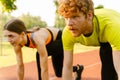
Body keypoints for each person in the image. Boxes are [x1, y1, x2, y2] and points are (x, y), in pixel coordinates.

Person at [58, 0, 120, 80]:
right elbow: (67, 68)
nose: (69, 23)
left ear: (89, 15)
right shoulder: (68, 32)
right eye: (66, 18)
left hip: (114, 34)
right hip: (103, 39)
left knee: (108, 67)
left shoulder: (112, 27)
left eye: (74, 17)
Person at [3, 18, 84, 80]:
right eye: (6, 36)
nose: (8, 40)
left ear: (22, 34)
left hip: (61, 38)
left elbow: (44, 69)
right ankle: (78, 68)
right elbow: (20, 66)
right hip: (49, 42)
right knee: (59, 73)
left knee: (39, 55)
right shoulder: (17, 44)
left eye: (11, 36)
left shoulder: (37, 39)